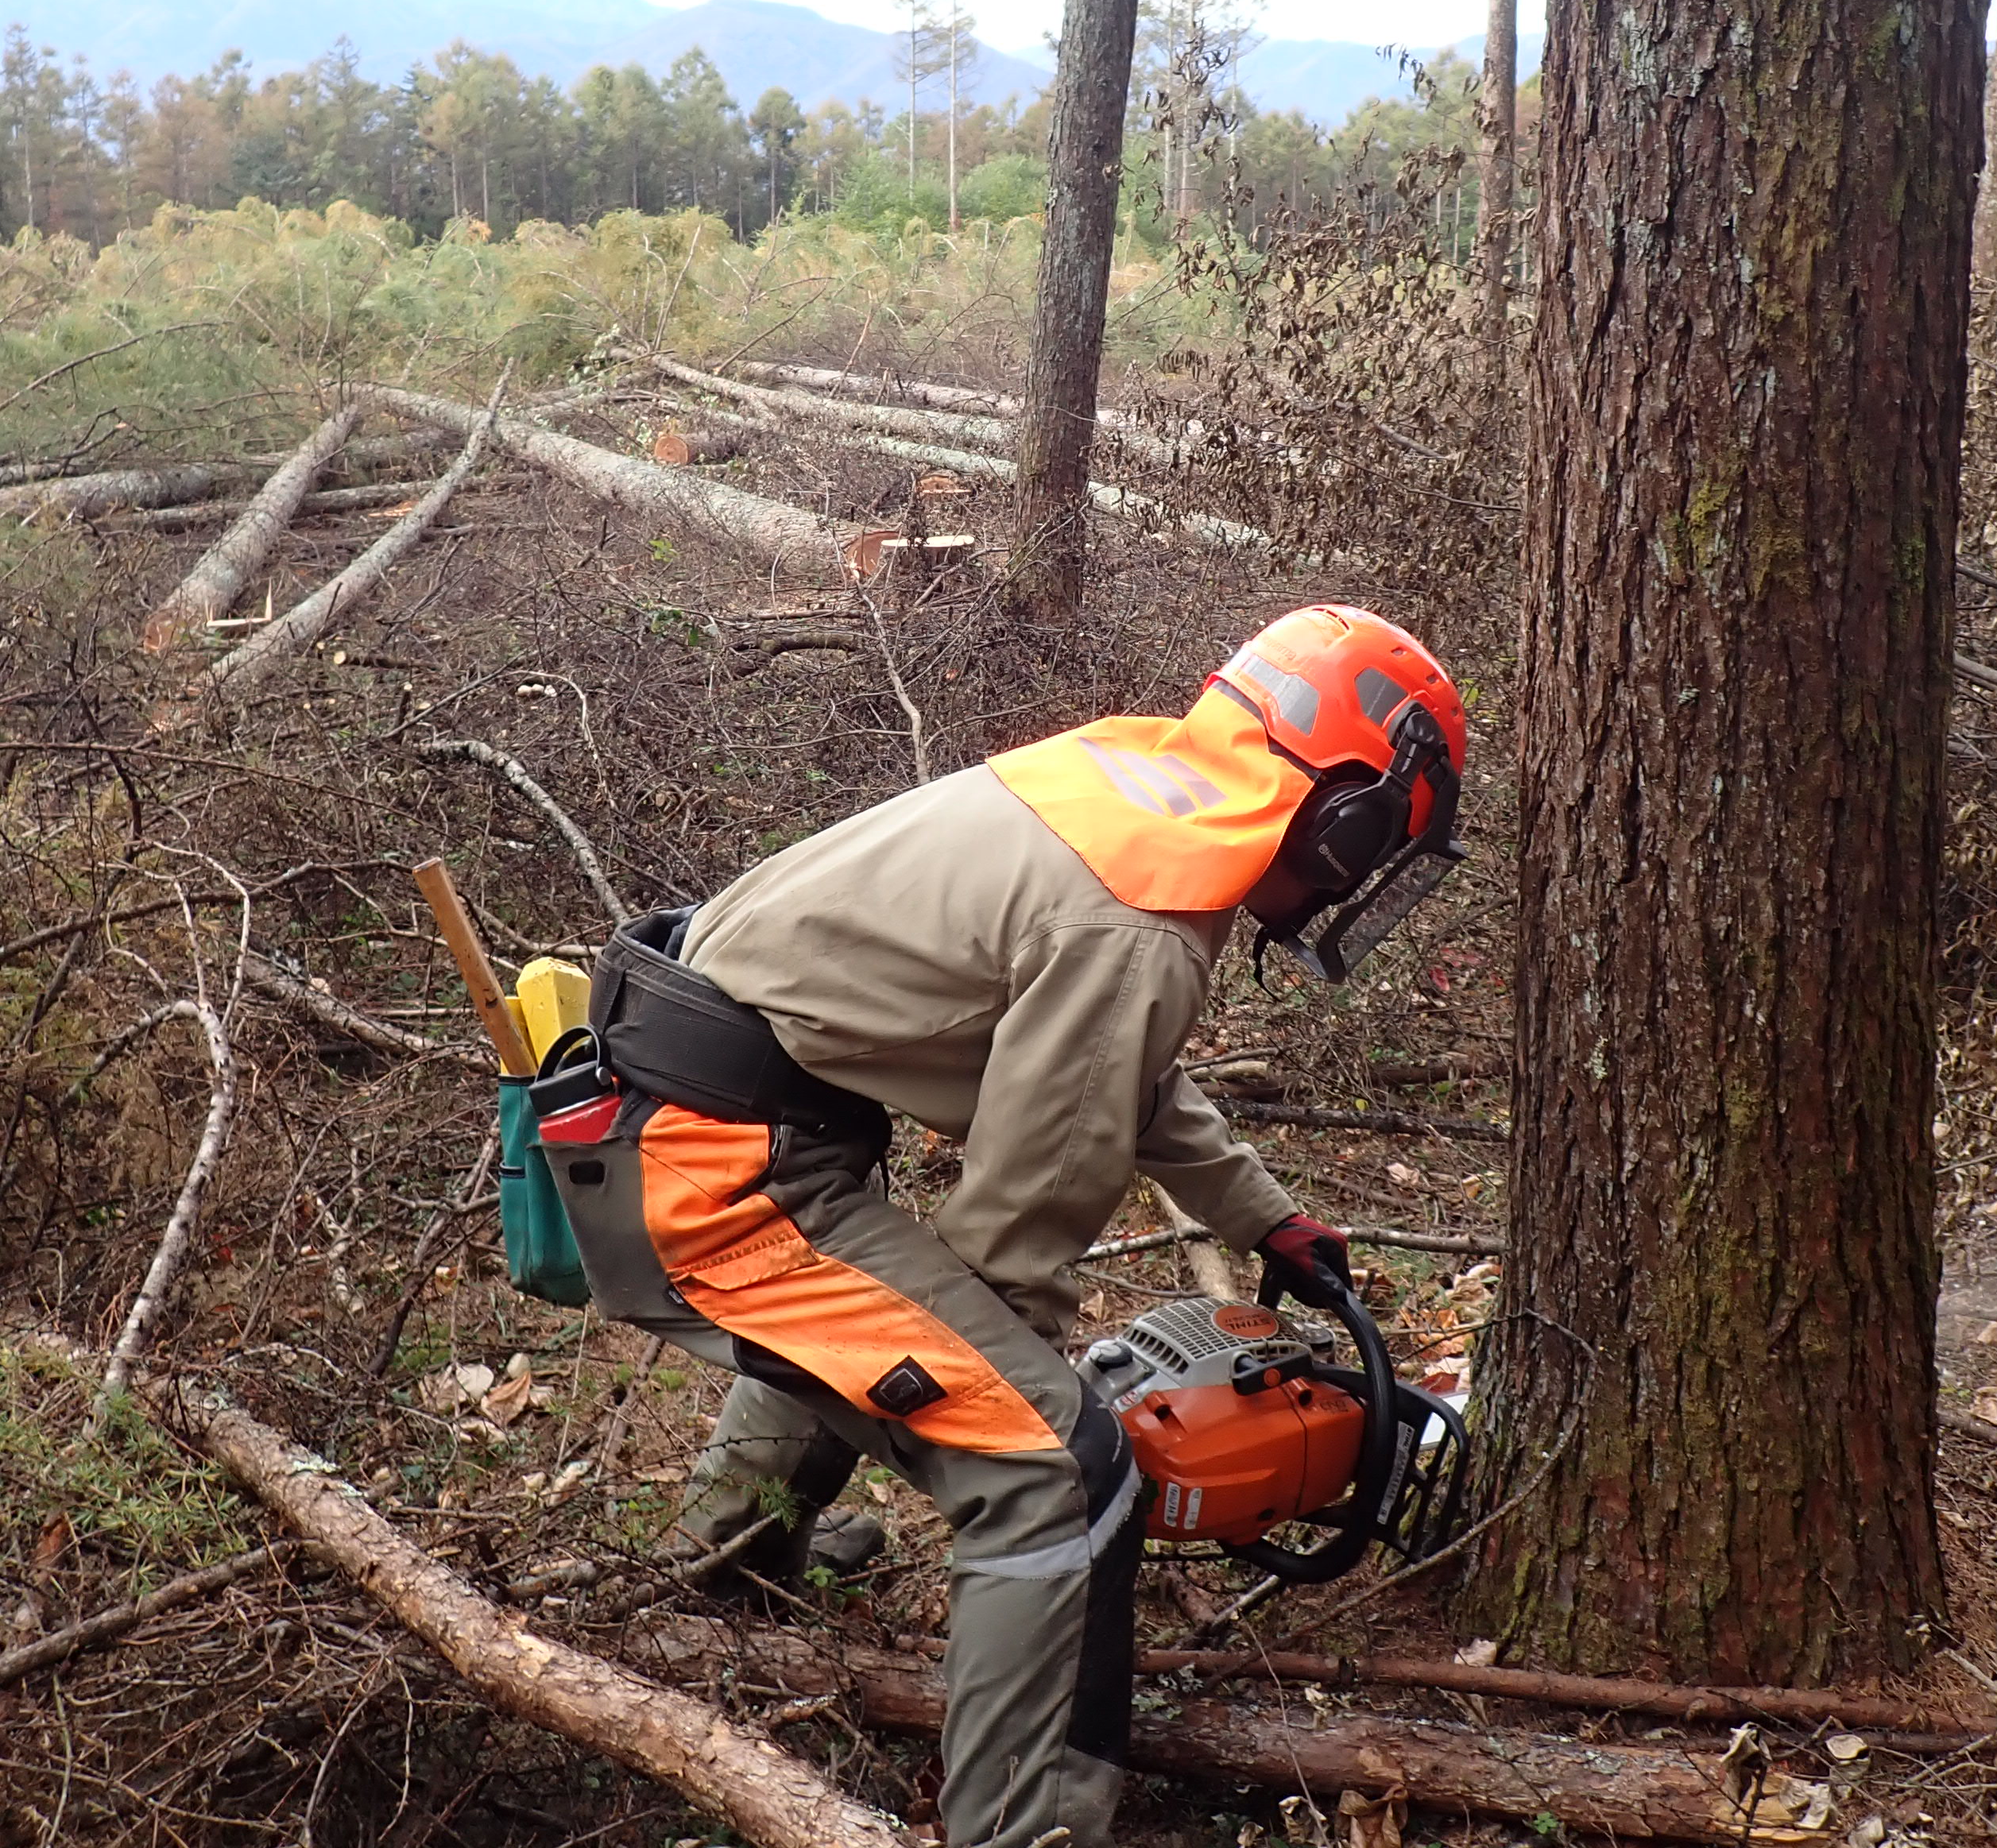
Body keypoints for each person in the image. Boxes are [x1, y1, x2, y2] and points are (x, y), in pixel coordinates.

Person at [543, 605, 1468, 1848]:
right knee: (1055, 1474)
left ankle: (725, 1581)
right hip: (711, 1168)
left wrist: (1260, 1214)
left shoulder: (1136, 798)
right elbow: (1018, 1224)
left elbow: (1107, 1057)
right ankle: (1023, 1826)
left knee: (881, 1312)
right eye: (1373, 846)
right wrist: (1016, 1388)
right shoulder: (1148, 915)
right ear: (1345, 808)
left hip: (694, 1106)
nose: (1357, 877)